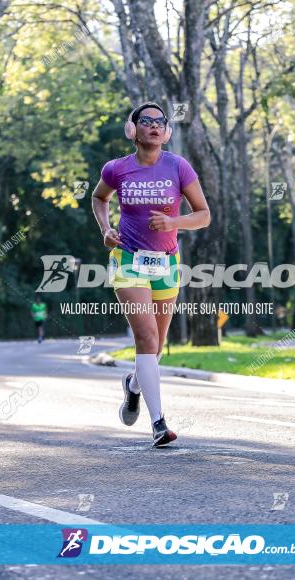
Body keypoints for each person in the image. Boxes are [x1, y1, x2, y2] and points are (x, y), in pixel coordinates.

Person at [91, 102, 210, 447]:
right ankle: (159, 423)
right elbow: (99, 198)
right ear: (133, 129)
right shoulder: (117, 169)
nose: (155, 127)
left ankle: (132, 386)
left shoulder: (179, 166)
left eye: (161, 122)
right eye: (147, 121)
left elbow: (203, 215)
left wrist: (175, 222)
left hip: (166, 262)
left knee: (155, 349)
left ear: (167, 132)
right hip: (128, 259)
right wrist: (105, 227)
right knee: (145, 339)